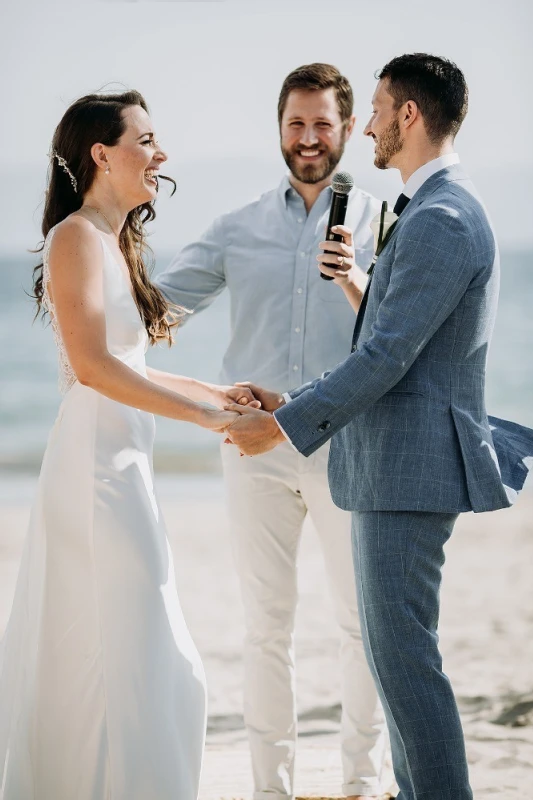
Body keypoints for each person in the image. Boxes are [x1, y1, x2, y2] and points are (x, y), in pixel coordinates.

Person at [224, 54, 533, 799]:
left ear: (408, 116)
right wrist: (290, 393)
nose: (364, 124)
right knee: (398, 664)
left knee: (403, 664)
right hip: (392, 466)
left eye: (375, 109)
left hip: (407, 471)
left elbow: (390, 355)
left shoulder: (441, 215)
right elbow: (395, 339)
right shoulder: (430, 210)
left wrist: (286, 426)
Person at [0, 90, 256, 800]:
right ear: (101, 154)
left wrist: (218, 394)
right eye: (146, 138)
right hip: (94, 475)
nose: (160, 153)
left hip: (122, 466)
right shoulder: (74, 237)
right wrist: (200, 420)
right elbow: (92, 367)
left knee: (128, 647)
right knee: (141, 653)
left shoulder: (110, 242)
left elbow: (130, 363)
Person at [157, 64, 392, 800]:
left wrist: (354, 274)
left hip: (348, 446)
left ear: (348, 130)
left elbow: (397, 340)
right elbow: (156, 309)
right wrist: (90, 252)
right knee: (265, 627)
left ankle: (360, 782)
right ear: (279, 129)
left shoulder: (389, 218)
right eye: (295, 123)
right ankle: (271, 789)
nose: (308, 138)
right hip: (253, 447)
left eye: (323, 124)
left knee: (362, 626)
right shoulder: (238, 227)